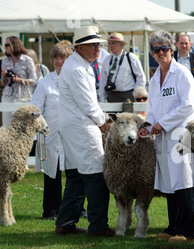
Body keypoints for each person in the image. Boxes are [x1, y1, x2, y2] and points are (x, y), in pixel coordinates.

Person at [138, 30, 194, 243]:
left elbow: (187, 107)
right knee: (168, 182)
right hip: (163, 138)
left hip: (180, 136)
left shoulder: (182, 73)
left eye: (164, 49)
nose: (160, 53)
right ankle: (173, 227)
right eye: (156, 50)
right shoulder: (155, 78)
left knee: (183, 181)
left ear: (171, 50)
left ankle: (188, 231)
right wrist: (148, 126)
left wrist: (161, 124)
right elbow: (153, 108)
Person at [55, 25, 114, 237]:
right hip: (81, 126)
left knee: (76, 177)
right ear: (79, 47)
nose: (97, 49)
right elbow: (88, 104)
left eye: (98, 45)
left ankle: (65, 222)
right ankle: (98, 226)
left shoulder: (77, 65)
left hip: (73, 126)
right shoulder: (78, 69)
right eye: (92, 45)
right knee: (96, 175)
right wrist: (103, 123)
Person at [30, 42, 73, 220]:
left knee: (74, 173)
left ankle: (76, 208)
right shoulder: (45, 83)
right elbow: (35, 108)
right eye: (56, 57)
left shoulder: (74, 80)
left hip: (72, 133)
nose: (59, 61)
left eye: (63, 57)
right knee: (52, 174)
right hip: (51, 134)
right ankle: (51, 210)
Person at [99, 32, 146, 103]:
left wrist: (136, 95)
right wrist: (103, 100)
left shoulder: (131, 58)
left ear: (121, 45)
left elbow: (141, 78)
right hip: (111, 97)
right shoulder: (107, 60)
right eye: (109, 43)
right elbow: (103, 81)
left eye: (113, 43)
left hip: (128, 97)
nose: (110, 46)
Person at [1, 36, 37, 126]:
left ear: (15, 45)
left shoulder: (27, 60)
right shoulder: (5, 61)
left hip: (22, 98)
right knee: (7, 126)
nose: (5, 47)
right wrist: (3, 77)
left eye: (7, 45)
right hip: (7, 98)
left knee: (21, 126)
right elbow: (2, 84)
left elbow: (34, 80)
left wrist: (19, 80)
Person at [174, 33, 194, 102]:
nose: (184, 46)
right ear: (176, 44)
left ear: (190, 44)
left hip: (192, 95)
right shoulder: (171, 58)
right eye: (181, 43)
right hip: (175, 95)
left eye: (186, 43)